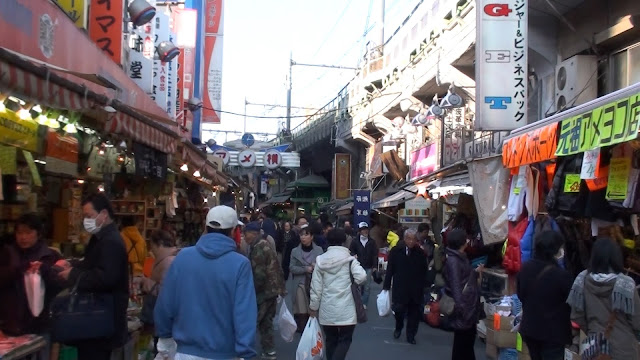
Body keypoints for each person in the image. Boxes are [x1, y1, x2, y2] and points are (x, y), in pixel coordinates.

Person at [154, 205, 257, 360]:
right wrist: (245, 352)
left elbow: (165, 304)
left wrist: (165, 337)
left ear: (205, 227)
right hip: (224, 353)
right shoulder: (240, 264)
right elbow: (244, 313)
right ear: (233, 231)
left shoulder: (182, 258)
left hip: (184, 352)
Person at [56, 194, 129, 360]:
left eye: (89, 216)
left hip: (101, 320)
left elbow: (105, 278)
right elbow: (92, 264)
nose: (86, 221)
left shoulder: (111, 242)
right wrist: (72, 264)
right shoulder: (101, 238)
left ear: (104, 214)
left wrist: (73, 274)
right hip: (97, 319)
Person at [567, 238, 640, 360]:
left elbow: (576, 316)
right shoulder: (626, 283)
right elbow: (637, 321)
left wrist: (593, 329)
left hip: (595, 347)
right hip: (624, 349)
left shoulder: (582, 280)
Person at [0, 214, 63, 337]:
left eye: (28, 233)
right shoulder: (7, 253)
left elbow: (60, 284)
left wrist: (45, 271)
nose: (23, 237)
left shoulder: (50, 256)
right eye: (19, 233)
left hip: (41, 324)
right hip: (11, 323)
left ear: (38, 233)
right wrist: (18, 271)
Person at [309, 229, 366, 360]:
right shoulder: (350, 260)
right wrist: (353, 282)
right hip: (347, 307)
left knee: (330, 339)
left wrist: (313, 307)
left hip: (327, 307)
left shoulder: (320, 261)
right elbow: (362, 277)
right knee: (345, 339)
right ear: (343, 241)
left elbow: (316, 287)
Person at [517, 231, 573, 360]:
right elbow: (571, 302)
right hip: (553, 333)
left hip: (530, 328)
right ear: (555, 249)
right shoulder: (561, 275)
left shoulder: (525, 268)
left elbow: (521, 295)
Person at [244, 221, 286, 360]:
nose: (244, 237)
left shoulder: (259, 247)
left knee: (253, 320)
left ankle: (245, 350)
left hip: (265, 291)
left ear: (253, 233)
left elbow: (259, 274)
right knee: (266, 321)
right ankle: (269, 350)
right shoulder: (264, 244)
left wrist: (252, 292)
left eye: (246, 234)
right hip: (273, 289)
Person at [383, 228, 427, 344]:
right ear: (404, 238)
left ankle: (411, 335)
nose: (411, 242)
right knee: (398, 310)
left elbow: (424, 271)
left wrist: (425, 286)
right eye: (409, 239)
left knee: (414, 314)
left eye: (413, 239)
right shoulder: (396, 251)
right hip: (400, 286)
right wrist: (386, 286)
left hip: (415, 288)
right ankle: (399, 326)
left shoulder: (420, 253)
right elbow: (390, 270)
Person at [443, 228, 481, 360]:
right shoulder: (454, 260)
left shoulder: (459, 257)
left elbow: (464, 279)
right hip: (464, 309)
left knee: (465, 345)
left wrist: (475, 273)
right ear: (462, 242)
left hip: (467, 307)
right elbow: (456, 287)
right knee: (462, 346)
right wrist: (463, 310)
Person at [289, 224, 324, 332]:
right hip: (300, 283)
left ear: (312, 236)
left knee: (313, 311)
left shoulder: (319, 250)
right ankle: (304, 334)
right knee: (302, 312)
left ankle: (312, 335)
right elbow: (292, 267)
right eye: (301, 235)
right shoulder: (295, 251)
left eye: (306, 235)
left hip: (314, 284)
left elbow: (323, 267)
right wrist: (305, 269)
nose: (303, 237)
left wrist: (316, 266)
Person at [349, 222, 378, 308]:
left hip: (368, 266)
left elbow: (375, 254)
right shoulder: (355, 241)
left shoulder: (372, 242)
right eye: (363, 229)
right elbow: (351, 251)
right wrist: (353, 255)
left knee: (367, 286)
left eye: (366, 229)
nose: (365, 231)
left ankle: (363, 303)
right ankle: (358, 301)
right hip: (357, 266)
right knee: (357, 285)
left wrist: (375, 266)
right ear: (359, 230)